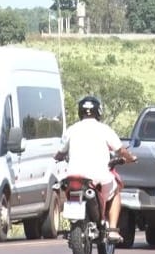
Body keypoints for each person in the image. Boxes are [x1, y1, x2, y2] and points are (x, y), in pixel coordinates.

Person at [54, 96, 137, 243]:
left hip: (74, 177)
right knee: (116, 190)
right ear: (98, 112)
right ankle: (112, 230)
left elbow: (60, 153)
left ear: (80, 112)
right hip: (98, 178)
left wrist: (58, 157)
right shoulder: (104, 129)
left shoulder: (71, 130)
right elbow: (120, 150)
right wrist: (130, 158)